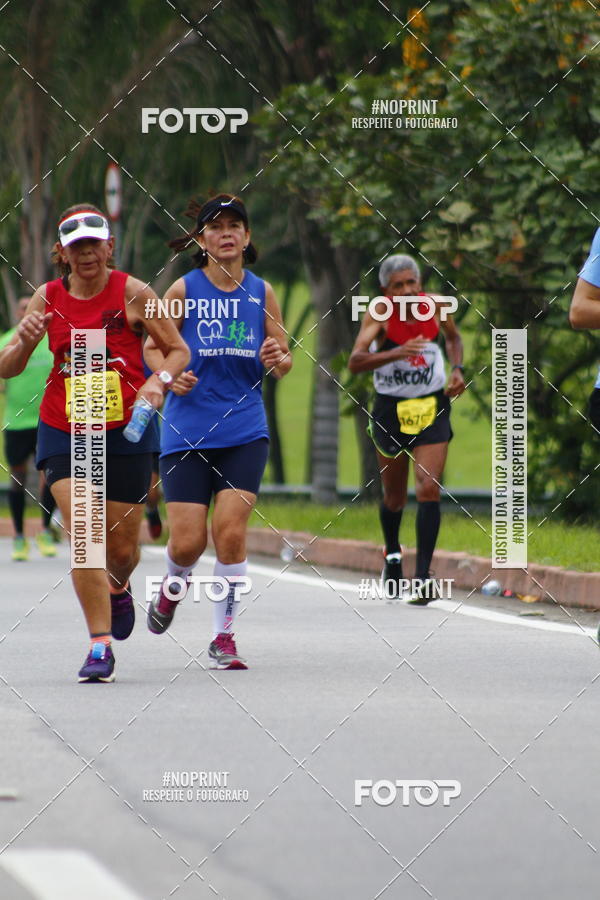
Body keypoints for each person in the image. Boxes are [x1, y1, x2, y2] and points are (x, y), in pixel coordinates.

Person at [0, 204, 190, 682]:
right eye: (75, 245)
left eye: (94, 243)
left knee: (122, 551)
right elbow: (8, 366)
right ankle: (99, 645)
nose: (86, 253)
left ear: (109, 246)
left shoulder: (135, 292)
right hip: (64, 424)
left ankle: (120, 587)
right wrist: (23, 341)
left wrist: (158, 382)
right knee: (84, 533)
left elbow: (178, 350)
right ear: (60, 252)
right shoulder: (46, 297)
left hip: (125, 427)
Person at [145, 193, 292, 669]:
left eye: (235, 226)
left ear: (247, 238)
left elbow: (283, 356)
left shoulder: (261, 292)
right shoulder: (183, 291)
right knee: (187, 543)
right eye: (215, 227)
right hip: (186, 431)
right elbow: (154, 347)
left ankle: (223, 636)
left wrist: (278, 360)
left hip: (245, 430)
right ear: (201, 239)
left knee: (229, 533)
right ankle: (171, 587)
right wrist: (171, 375)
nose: (225, 233)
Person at [348, 253, 465, 603]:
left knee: (429, 486)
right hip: (390, 411)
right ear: (386, 290)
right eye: (397, 286)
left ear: (421, 284)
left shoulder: (437, 307)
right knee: (395, 496)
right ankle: (393, 555)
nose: (406, 291)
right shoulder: (378, 315)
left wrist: (457, 368)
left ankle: (424, 577)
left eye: (411, 283)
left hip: (431, 406)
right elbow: (356, 361)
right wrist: (395, 354)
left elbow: (454, 338)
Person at [0, 296, 56, 560]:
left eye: (31, 309)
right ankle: (20, 537)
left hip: (47, 419)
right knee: (17, 479)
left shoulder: (51, 340)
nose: (27, 314)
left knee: (49, 477)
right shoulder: (7, 340)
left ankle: (45, 531)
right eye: (23, 310)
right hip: (16, 421)